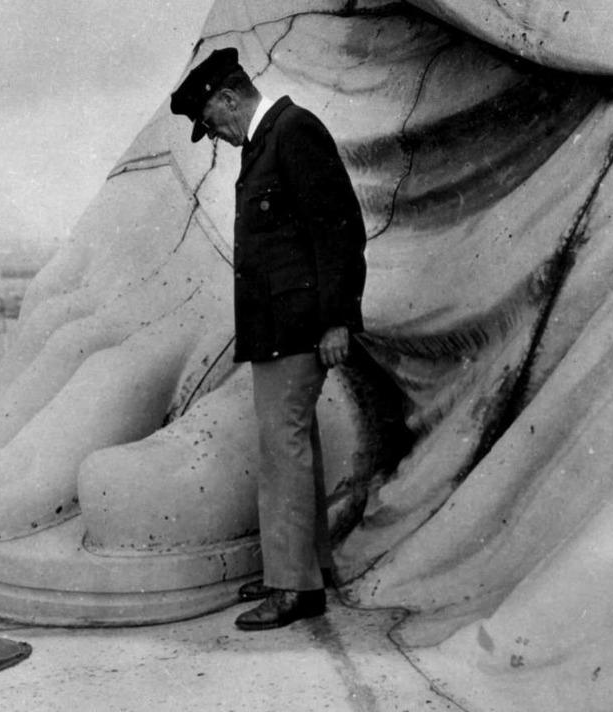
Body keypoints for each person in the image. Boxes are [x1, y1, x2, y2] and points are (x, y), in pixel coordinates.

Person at [170, 47, 367, 630]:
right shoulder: (265, 143)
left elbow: (339, 228)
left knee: (282, 455)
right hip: (278, 331)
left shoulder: (293, 130)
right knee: (295, 449)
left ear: (230, 98)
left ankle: (292, 587)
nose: (212, 134)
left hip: (298, 330)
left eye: (209, 121)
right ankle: (306, 570)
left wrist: (338, 320)